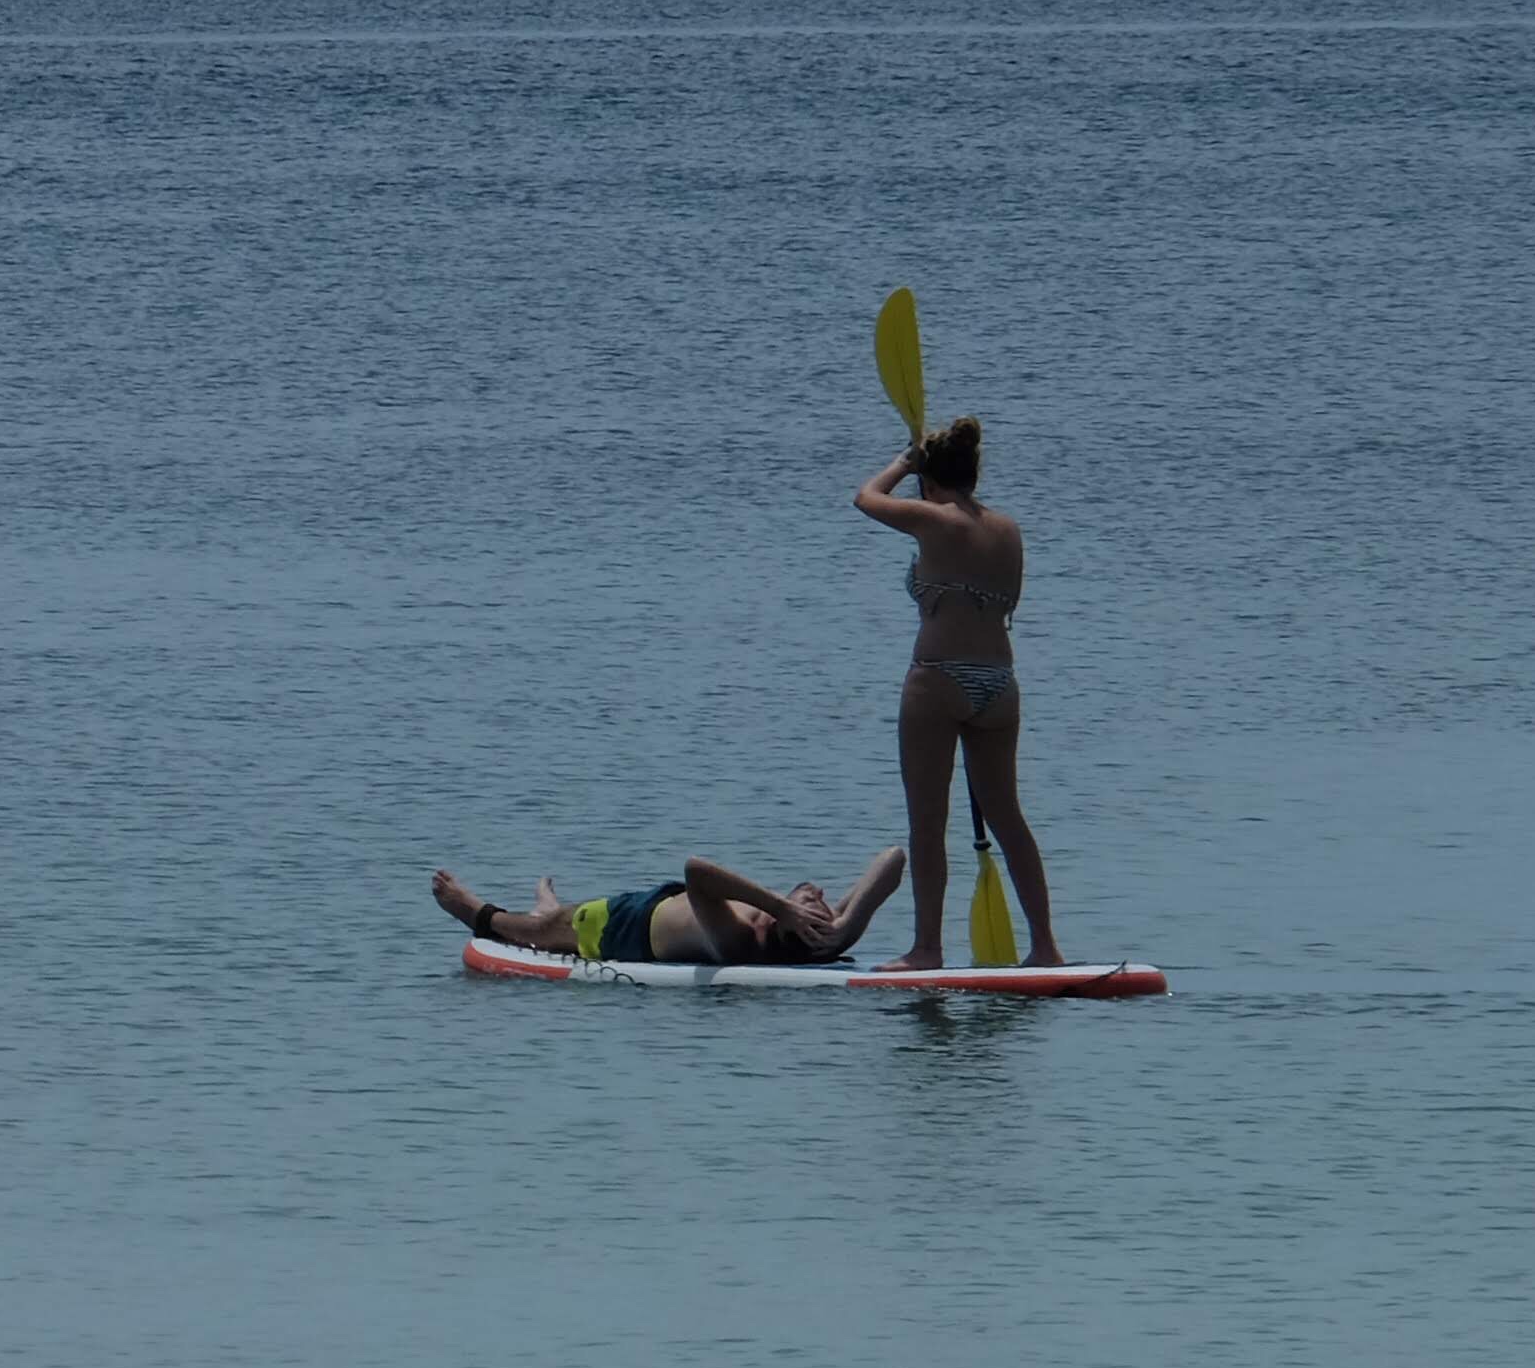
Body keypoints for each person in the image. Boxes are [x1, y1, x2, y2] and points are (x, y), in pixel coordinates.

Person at [855, 415, 1064, 969]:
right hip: (1000, 685)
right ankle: (1045, 945)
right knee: (1009, 817)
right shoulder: (1008, 529)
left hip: (938, 678)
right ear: (974, 474)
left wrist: (905, 460)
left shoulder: (932, 520)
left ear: (931, 478)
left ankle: (927, 948)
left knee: (928, 822)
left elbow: (865, 498)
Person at [431, 845, 903, 968]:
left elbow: (696, 868)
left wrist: (782, 904)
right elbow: (893, 859)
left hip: (625, 929)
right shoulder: (827, 934)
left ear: (789, 922)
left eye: (812, 902)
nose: (818, 892)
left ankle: (474, 911)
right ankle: (545, 904)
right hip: (664, 903)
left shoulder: (740, 939)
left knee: (540, 929)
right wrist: (845, 927)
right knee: (553, 918)